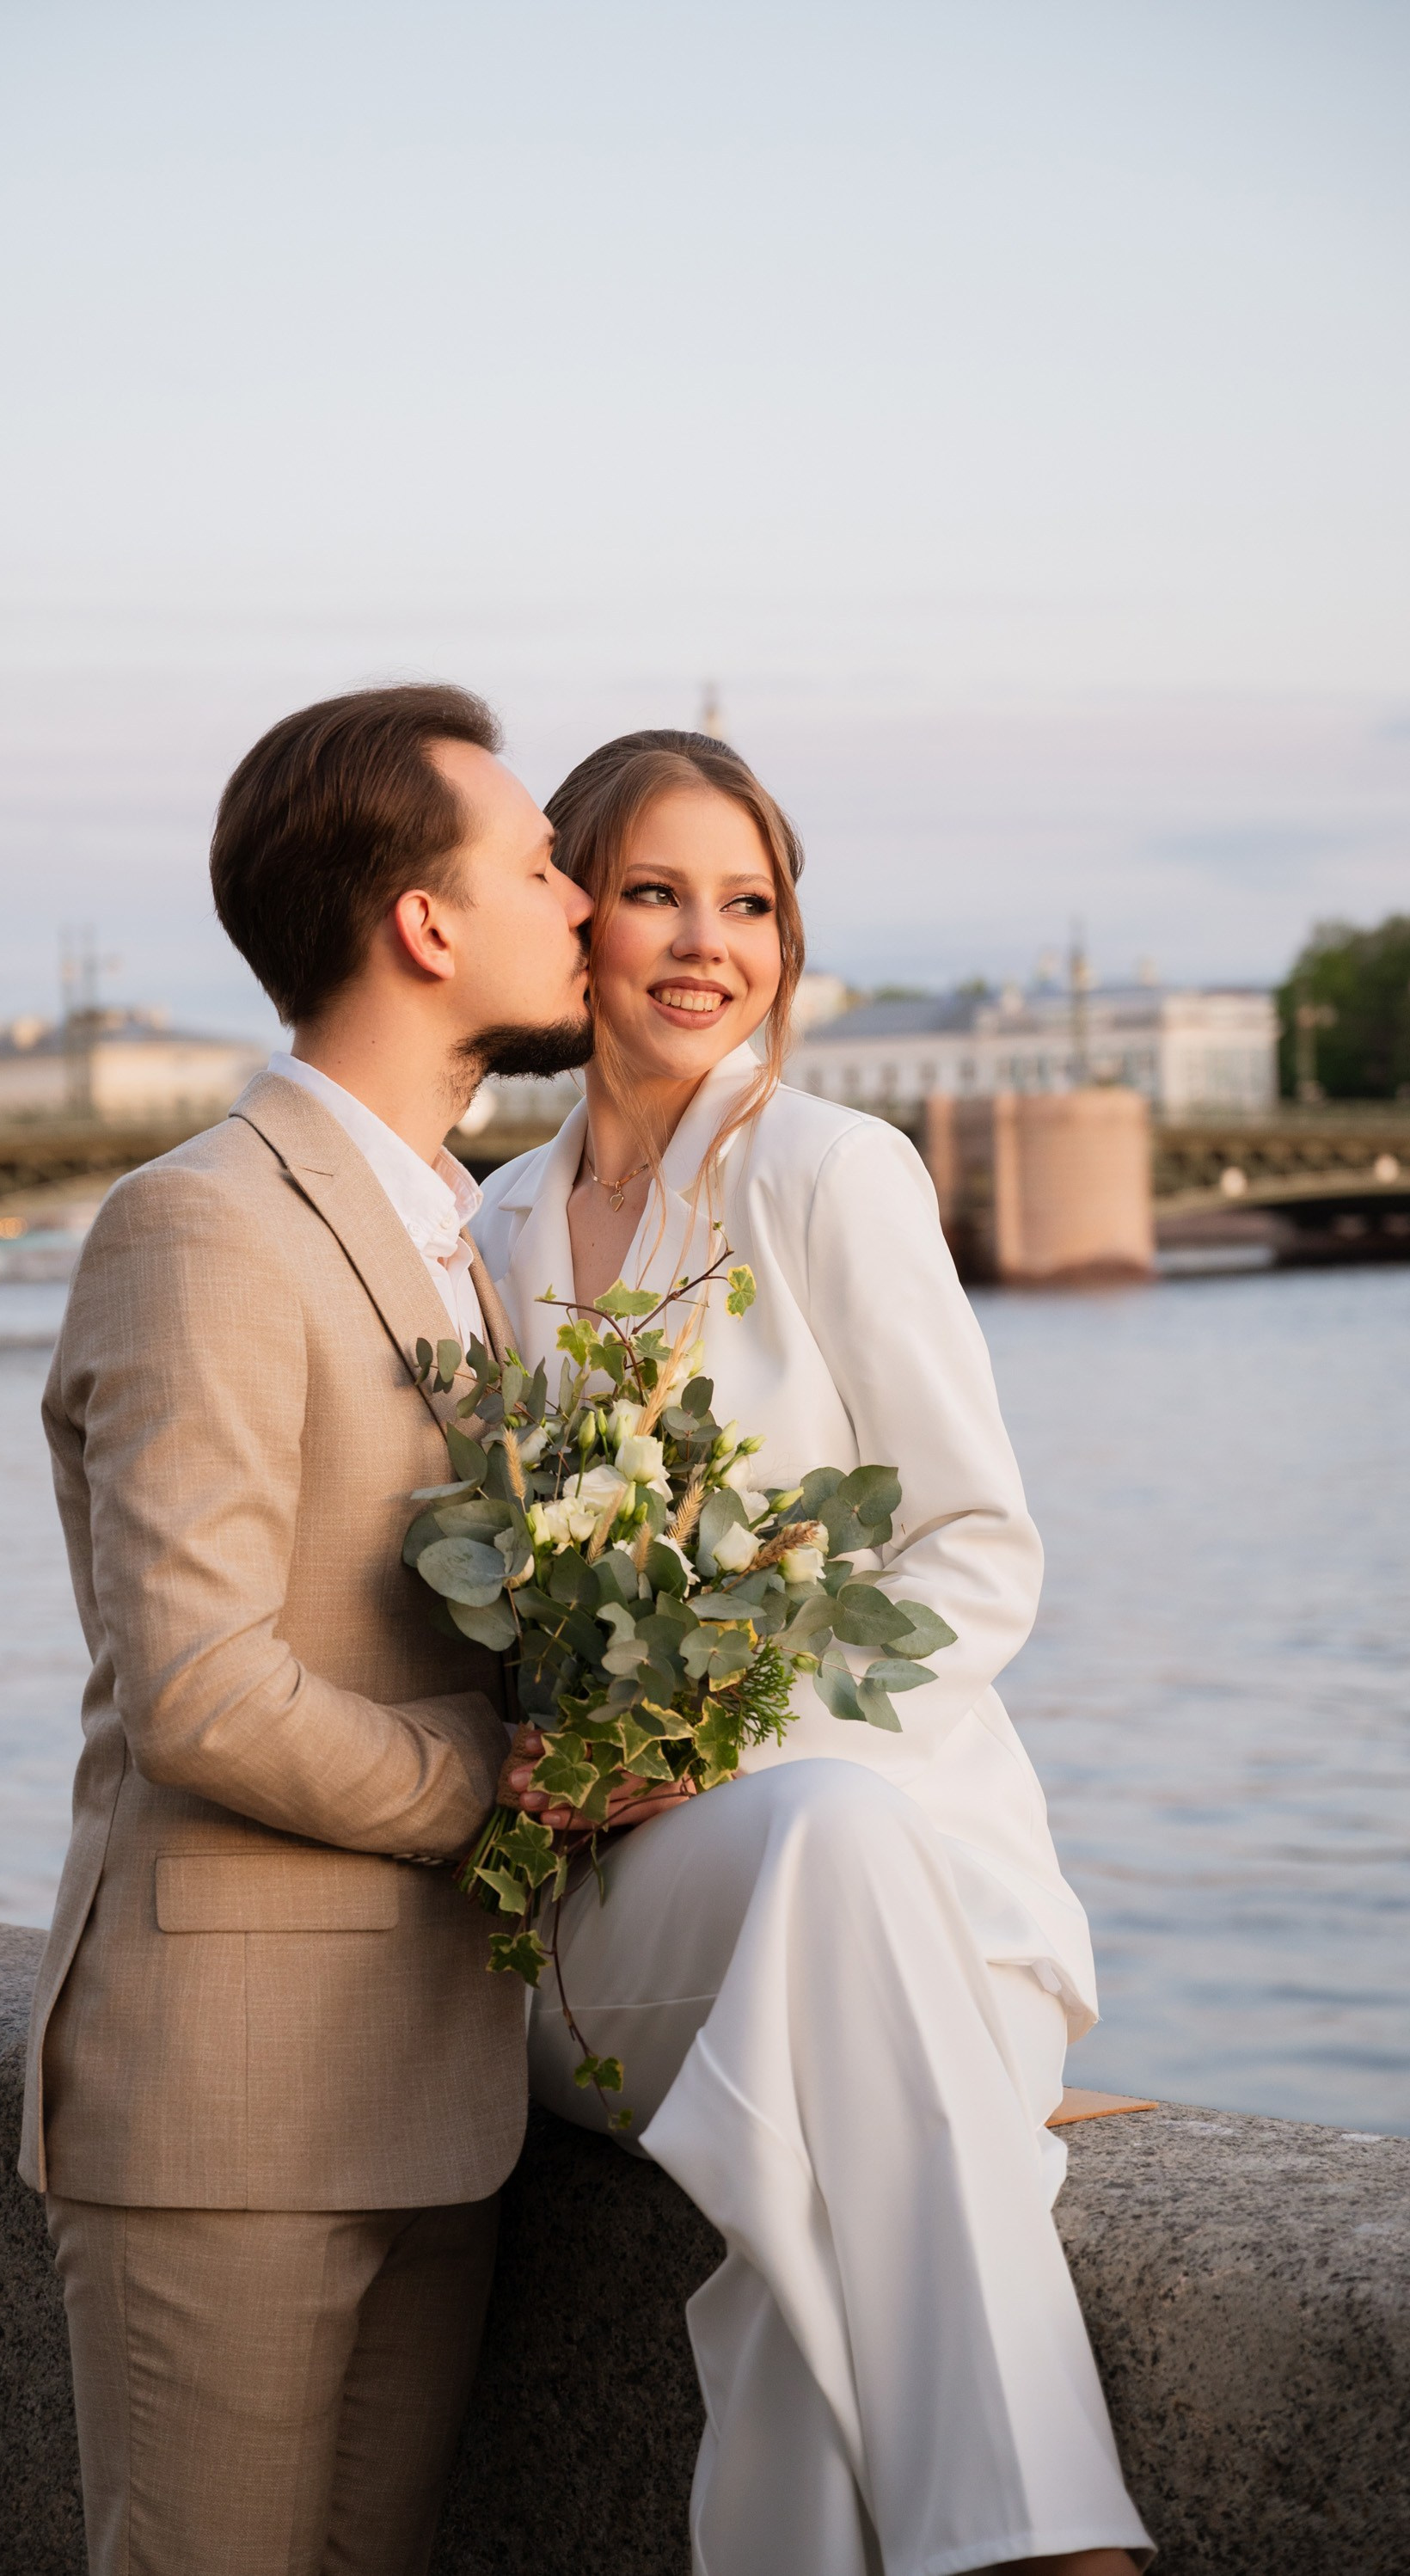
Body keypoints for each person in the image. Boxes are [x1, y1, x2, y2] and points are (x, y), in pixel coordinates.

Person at [468, 728, 1154, 2576]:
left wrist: (724, 1745)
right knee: (836, 1967)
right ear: (572, 921)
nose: (710, 945)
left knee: (832, 1898)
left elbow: (974, 1550)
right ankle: (1047, 2544)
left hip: (892, 1859)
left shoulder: (834, 1174)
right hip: (607, 1925)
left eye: (750, 902)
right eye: (655, 893)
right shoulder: (486, 1230)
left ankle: (1027, 2549)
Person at [17, 684, 595, 2576]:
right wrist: (509, 1784)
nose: (580, 899)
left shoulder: (478, 1239)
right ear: (425, 924)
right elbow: (197, 1684)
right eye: (537, 866)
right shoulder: (203, 1227)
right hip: (226, 2104)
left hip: (433, 2086)